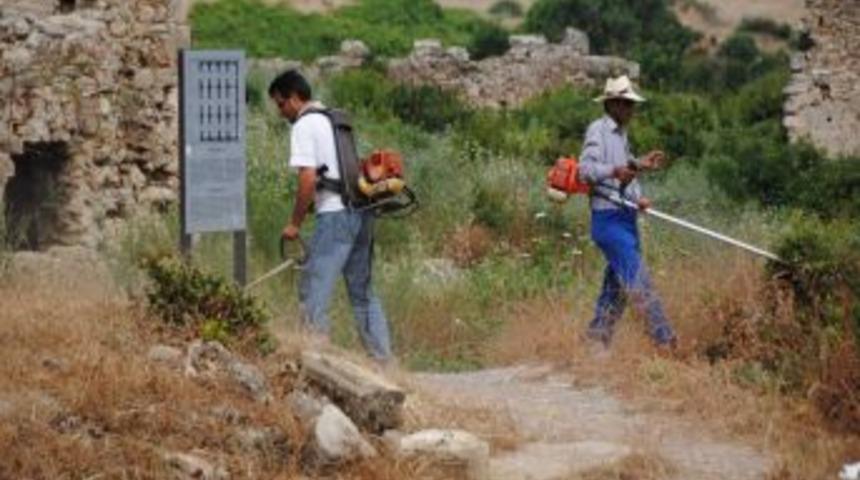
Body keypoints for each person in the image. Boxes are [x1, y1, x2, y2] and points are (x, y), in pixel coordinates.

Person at [268, 70, 392, 362]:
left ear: (296, 98)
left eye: (281, 104)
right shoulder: (334, 120)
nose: (280, 111)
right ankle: (385, 365)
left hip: (335, 216)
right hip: (361, 213)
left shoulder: (303, 126)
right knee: (362, 294)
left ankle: (317, 364)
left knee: (313, 291)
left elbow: (308, 179)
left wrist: (294, 223)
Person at [577, 75, 677, 349]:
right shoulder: (597, 131)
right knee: (637, 277)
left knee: (616, 289)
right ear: (614, 104)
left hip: (625, 218)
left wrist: (638, 178)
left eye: (632, 105)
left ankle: (596, 340)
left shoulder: (621, 136)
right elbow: (585, 171)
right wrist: (614, 170)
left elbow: (625, 172)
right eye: (628, 104)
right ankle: (665, 341)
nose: (632, 110)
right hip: (607, 220)